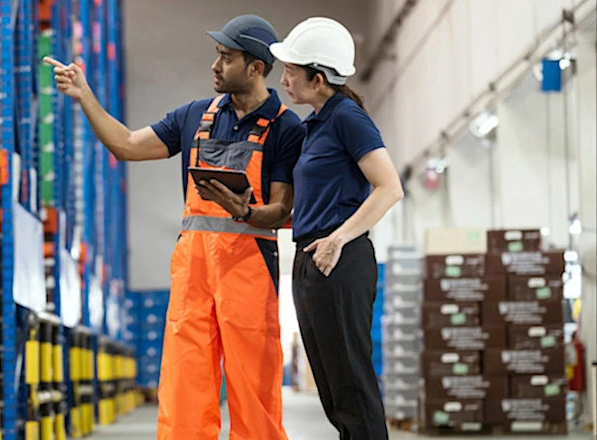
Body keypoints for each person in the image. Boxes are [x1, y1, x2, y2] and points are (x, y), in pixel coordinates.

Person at [45, 14, 303, 440]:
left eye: (226, 58)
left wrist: (245, 212)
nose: (215, 66)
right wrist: (83, 94)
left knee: (254, 394)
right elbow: (126, 146)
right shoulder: (194, 116)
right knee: (184, 387)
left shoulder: (285, 128)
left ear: (256, 67)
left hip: (251, 271)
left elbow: (280, 209)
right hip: (193, 272)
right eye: (216, 56)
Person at [269, 17, 403, 440]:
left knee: (351, 385)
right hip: (312, 257)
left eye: (292, 70)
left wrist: (339, 238)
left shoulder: (348, 118)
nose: (284, 78)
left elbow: (389, 188)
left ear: (319, 78)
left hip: (340, 259)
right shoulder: (314, 126)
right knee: (332, 388)